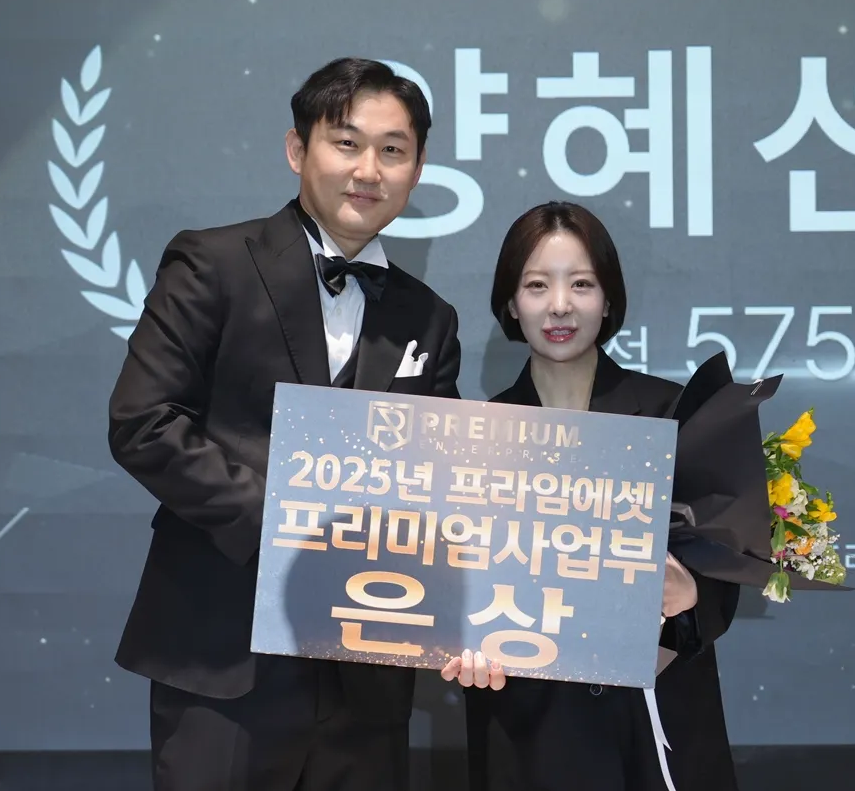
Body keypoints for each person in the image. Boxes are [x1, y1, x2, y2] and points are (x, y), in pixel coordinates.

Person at [107, 58, 463, 791]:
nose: (368, 170)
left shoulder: (429, 318)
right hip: (223, 659)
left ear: (418, 169)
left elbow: (439, 485)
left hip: (366, 680)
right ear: (298, 149)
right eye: (346, 143)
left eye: (393, 150)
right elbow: (144, 421)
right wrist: (287, 522)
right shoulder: (213, 263)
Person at [441, 202, 741, 791]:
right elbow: (453, 584)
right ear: (511, 303)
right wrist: (457, 640)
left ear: (608, 300)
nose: (560, 305)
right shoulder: (474, 437)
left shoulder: (674, 414)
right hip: (531, 729)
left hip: (658, 724)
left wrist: (691, 596)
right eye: (537, 285)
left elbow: (721, 578)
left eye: (581, 284)